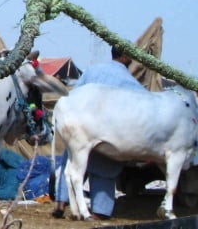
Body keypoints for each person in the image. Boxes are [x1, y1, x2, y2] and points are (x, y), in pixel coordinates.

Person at [52, 46, 146, 220]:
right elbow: (142, 108)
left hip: (82, 130)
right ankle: (99, 211)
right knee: (105, 170)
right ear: (125, 57)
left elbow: (74, 96)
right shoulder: (130, 82)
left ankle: (61, 202)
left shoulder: (92, 71)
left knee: (71, 165)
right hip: (107, 134)